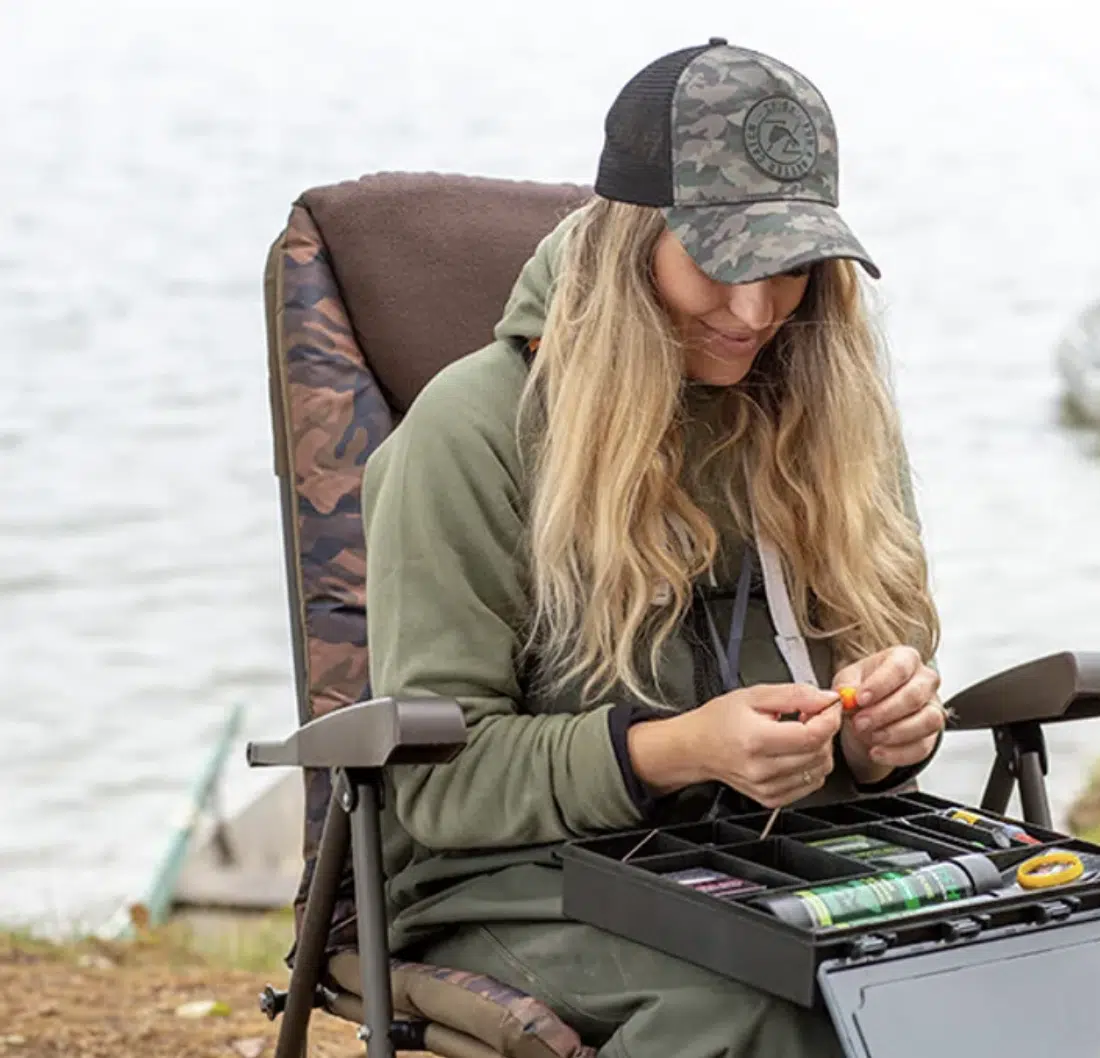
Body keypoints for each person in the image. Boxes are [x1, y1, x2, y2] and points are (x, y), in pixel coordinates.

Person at [360, 38, 947, 1058]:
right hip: (513, 878)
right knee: (767, 1010)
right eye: (720, 263)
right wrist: (678, 749)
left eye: (790, 267)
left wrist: (882, 733)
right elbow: (439, 783)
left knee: (1019, 955)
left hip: (775, 855)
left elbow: (880, 683)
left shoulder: (833, 416)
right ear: (633, 244)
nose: (756, 311)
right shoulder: (471, 430)